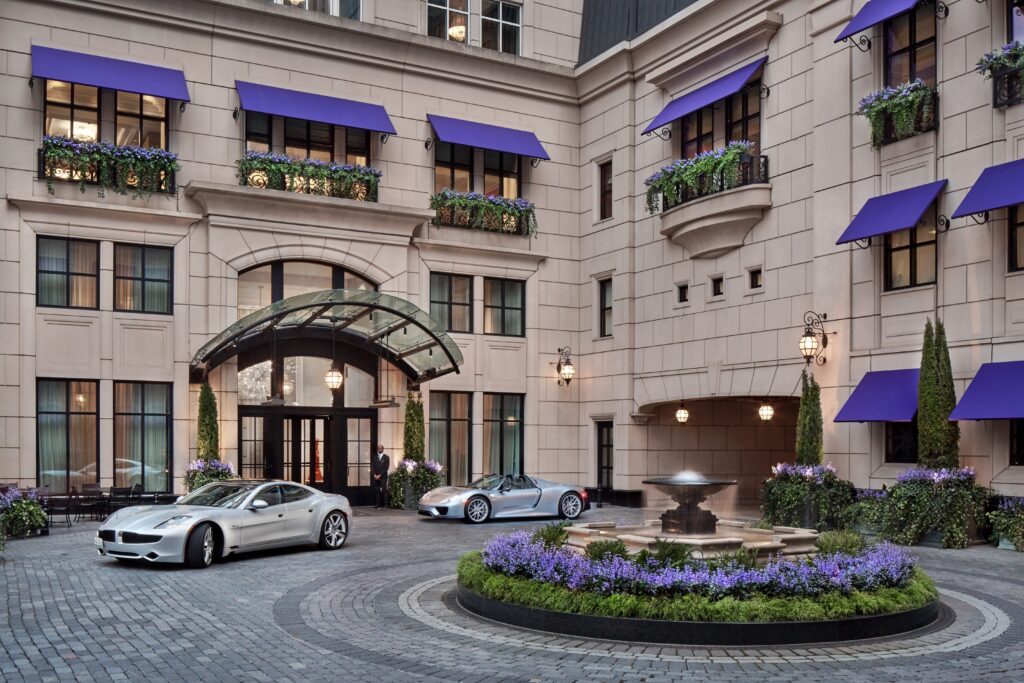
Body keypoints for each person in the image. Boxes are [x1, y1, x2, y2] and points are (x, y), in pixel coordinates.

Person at [371, 444, 390, 509]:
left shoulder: (386, 457)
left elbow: (386, 468)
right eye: (378, 448)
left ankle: (385, 505)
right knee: (377, 490)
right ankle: (378, 505)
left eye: (380, 448)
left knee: (384, 490)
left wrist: (380, 475)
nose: (379, 449)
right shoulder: (374, 457)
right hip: (376, 476)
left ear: (383, 449)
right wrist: (374, 474)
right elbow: (372, 466)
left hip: (383, 477)